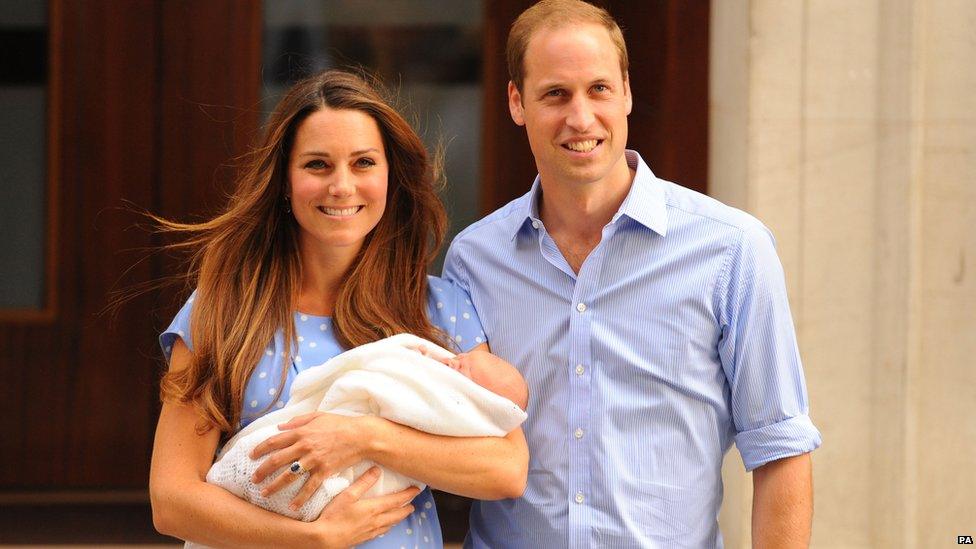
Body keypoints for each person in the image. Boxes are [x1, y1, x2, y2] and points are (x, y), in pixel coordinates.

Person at [442, 1, 822, 547]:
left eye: (598, 89)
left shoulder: (733, 251)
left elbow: (780, 446)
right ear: (516, 102)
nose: (580, 117)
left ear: (625, 92)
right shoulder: (474, 260)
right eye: (555, 94)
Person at [149, 69, 528, 549]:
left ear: (391, 176)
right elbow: (172, 499)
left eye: (364, 162)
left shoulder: (440, 308)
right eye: (318, 165)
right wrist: (315, 538)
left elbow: (505, 470)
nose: (342, 186)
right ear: (285, 181)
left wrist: (363, 437)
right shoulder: (224, 311)